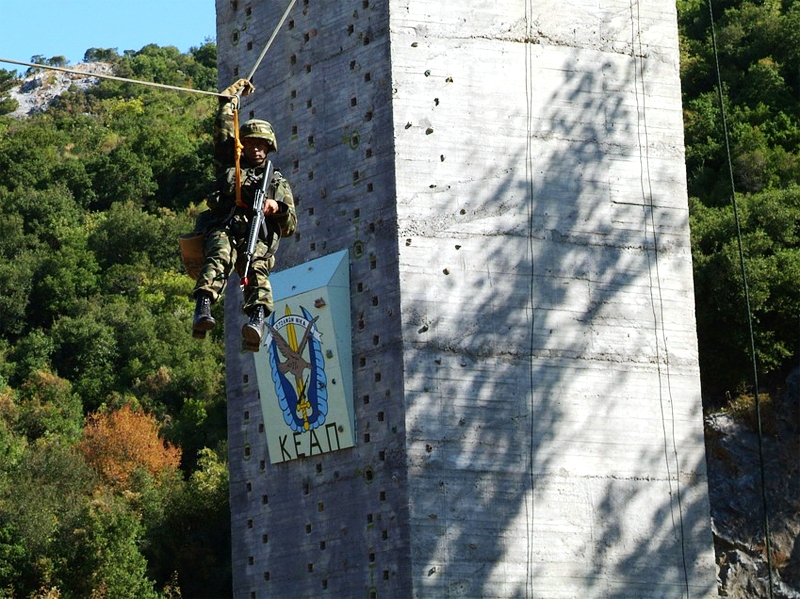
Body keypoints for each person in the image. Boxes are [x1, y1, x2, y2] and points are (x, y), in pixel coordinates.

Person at [190, 78, 297, 351]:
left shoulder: (276, 182)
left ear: (269, 147)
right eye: (251, 144)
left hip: (256, 233)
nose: (257, 149)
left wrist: (275, 207)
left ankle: (256, 321)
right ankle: (203, 309)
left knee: (257, 268)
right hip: (225, 224)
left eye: (262, 145)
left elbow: (290, 225)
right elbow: (224, 126)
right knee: (219, 256)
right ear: (243, 146)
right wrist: (231, 100)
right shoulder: (231, 162)